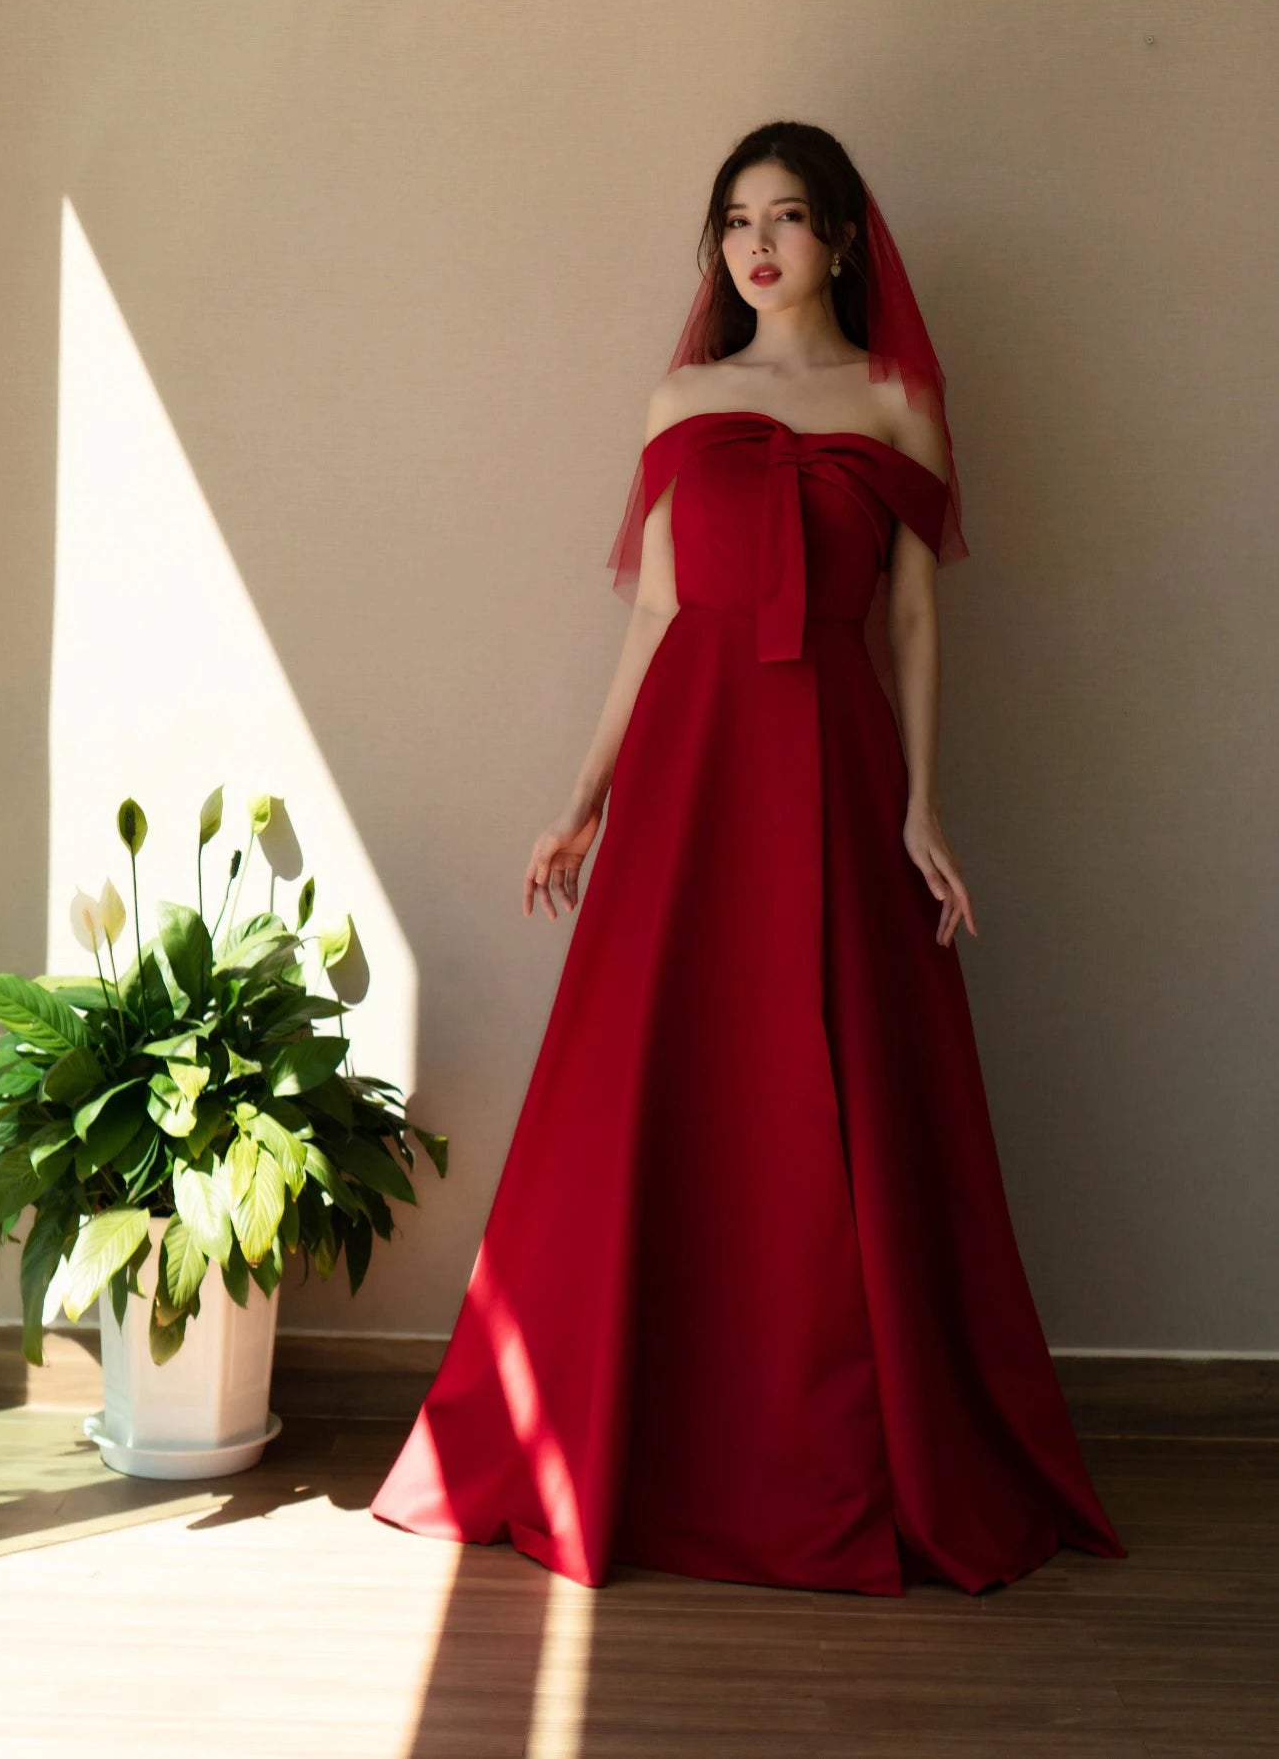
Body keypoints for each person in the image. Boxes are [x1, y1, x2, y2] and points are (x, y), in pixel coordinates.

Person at [370, 121, 1127, 1595]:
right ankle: (612, 1430)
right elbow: (653, 613)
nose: (757, 244)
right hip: (688, 765)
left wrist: (920, 805)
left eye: (787, 217)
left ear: (842, 238)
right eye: (733, 220)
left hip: (833, 762)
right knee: (660, 1080)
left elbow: (909, 619)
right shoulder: (684, 394)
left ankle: (844, 1444)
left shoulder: (900, 402)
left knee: (827, 1086)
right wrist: (582, 795)